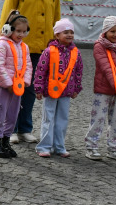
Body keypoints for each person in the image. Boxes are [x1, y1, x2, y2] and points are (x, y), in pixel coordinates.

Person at [0, 0, 61, 144]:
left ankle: (25, 128)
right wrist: (4, 37)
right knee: (16, 89)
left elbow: (56, 18)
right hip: (20, 46)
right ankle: (13, 128)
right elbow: (8, 14)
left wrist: (57, 41)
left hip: (43, 48)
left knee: (31, 90)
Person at [33, 18, 83, 158]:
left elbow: (79, 71)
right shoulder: (49, 51)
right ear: (57, 35)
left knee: (62, 119)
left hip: (66, 92)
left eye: (71, 32)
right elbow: (40, 70)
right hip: (50, 92)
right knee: (48, 119)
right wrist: (38, 88)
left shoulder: (76, 52)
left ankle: (59, 146)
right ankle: (44, 146)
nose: (69, 35)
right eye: (65, 32)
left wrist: (76, 89)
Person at [85, 16, 116, 161]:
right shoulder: (99, 46)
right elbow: (106, 68)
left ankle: (114, 148)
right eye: (112, 31)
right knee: (98, 119)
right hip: (103, 90)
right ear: (105, 32)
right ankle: (91, 147)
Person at [0, 12, 32, 159]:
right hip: (4, 87)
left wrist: (25, 82)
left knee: (13, 114)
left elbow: (28, 65)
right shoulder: (2, 44)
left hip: (17, 87)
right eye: (18, 31)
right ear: (9, 29)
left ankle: (5, 141)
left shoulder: (24, 47)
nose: (21, 34)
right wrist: (8, 83)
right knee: (0, 113)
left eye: (24, 31)